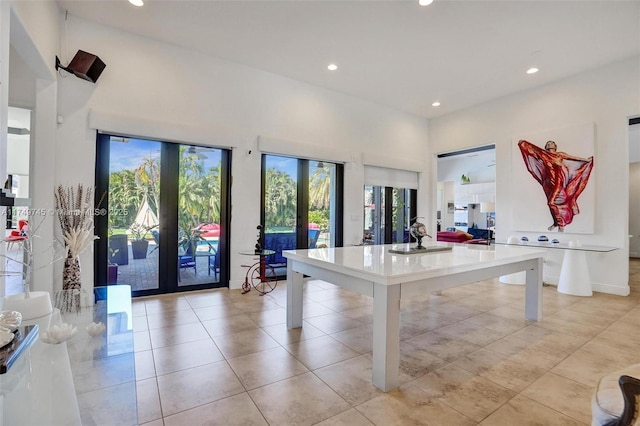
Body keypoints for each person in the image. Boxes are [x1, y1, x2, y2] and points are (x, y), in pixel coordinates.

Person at [518, 139, 594, 232]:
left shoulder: (560, 155)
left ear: (555, 146)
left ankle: (561, 224)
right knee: (550, 205)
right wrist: (523, 144)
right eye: (548, 143)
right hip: (548, 183)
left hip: (558, 182)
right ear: (546, 147)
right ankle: (555, 223)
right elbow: (531, 150)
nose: (550, 144)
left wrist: (587, 160)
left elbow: (573, 158)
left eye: (552, 143)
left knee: (552, 203)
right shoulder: (543, 155)